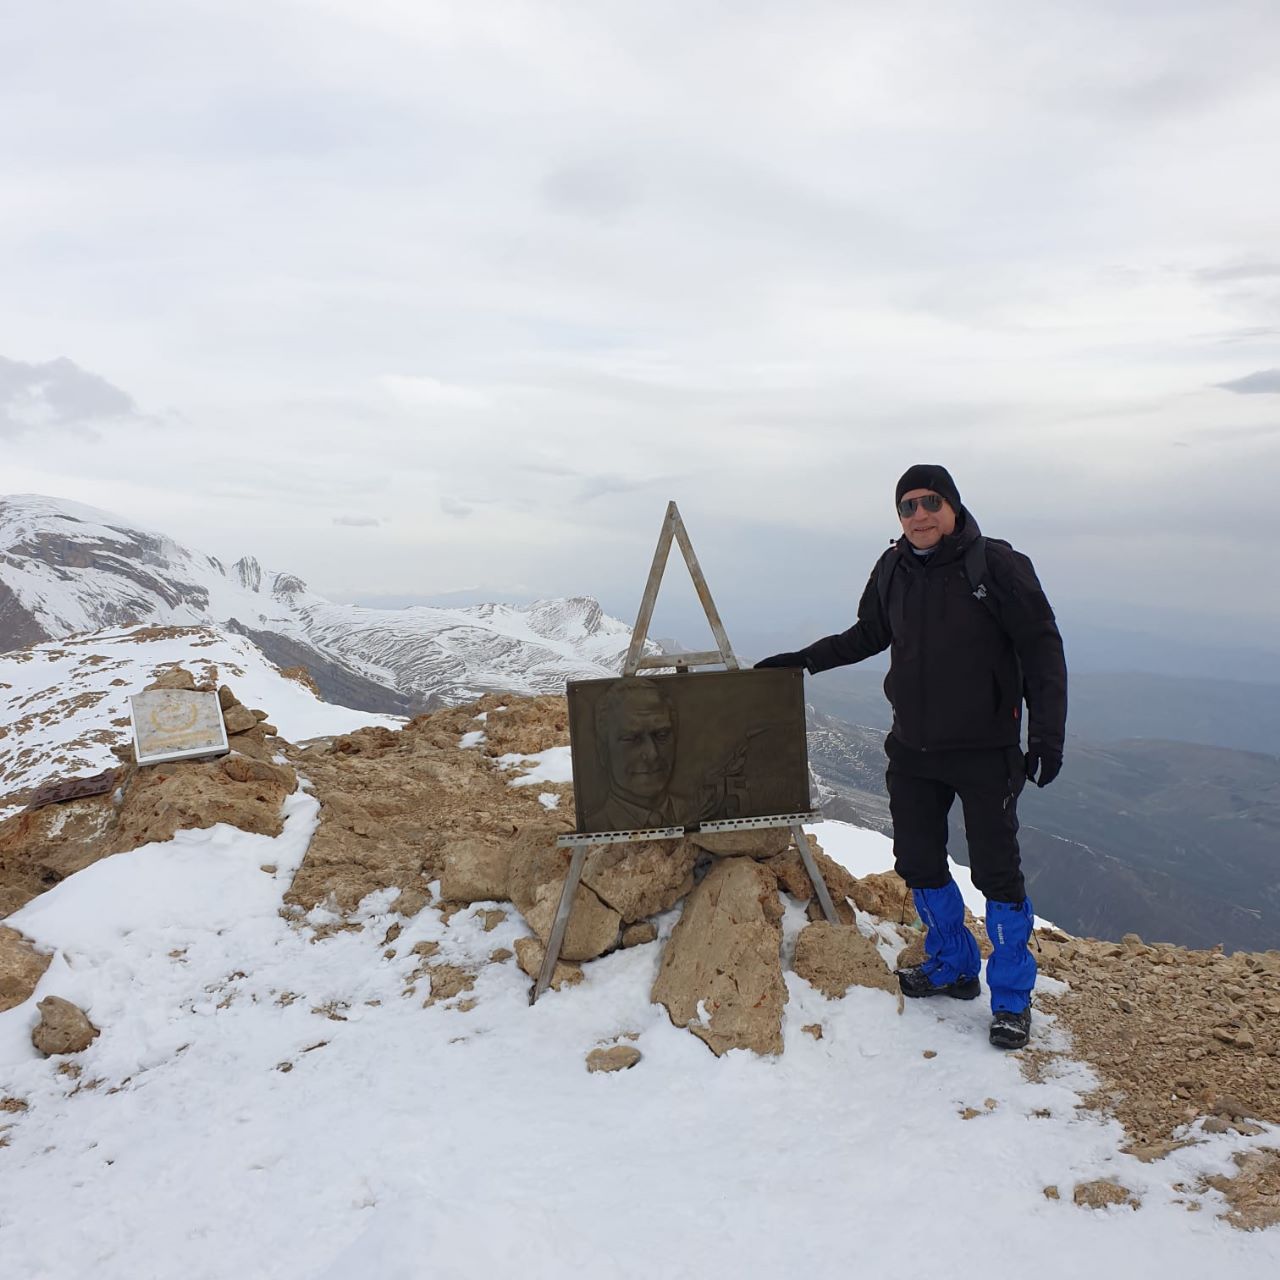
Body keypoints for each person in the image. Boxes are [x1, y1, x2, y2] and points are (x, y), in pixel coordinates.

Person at [757, 465, 1067, 1050]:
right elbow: (867, 634)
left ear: (952, 505)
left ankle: (1012, 998)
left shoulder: (996, 565)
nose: (919, 515)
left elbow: (1042, 649)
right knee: (919, 861)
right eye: (907, 506)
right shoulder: (893, 567)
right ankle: (953, 964)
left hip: (985, 750)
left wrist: (1047, 737)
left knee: (998, 871)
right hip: (914, 748)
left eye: (930, 502)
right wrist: (802, 661)